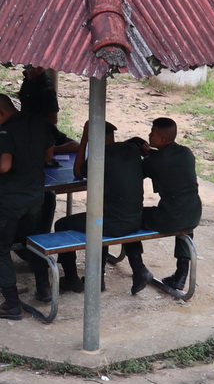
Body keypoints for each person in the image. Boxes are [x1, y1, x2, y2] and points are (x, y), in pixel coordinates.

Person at [50, 120, 145, 294]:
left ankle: (71, 279)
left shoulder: (99, 157)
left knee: (63, 224)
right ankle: (109, 275)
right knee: (99, 218)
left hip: (112, 223)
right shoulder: (131, 150)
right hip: (135, 218)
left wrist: (84, 139)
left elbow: (78, 172)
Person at [0, 92, 55, 320]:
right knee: (31, 241)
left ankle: (12, 304)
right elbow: (49, 155)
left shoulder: (6, 131)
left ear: (1, 112)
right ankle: (43, 289)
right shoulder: (40, 123)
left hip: (11, 199)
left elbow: (5, 165)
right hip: (35, 196)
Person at [125, 117, 202, 294]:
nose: (149, 135)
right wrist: (150, 153)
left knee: (127, 220)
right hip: (193, 212)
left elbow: (136, 173)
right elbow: (165, 159)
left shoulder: (154, 161)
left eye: (152, 133)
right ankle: (181, 274)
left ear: (163, 140)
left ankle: (139, 268)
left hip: (170, 217)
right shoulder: (186, 152)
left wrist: (141, 155)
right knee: (184, 224)